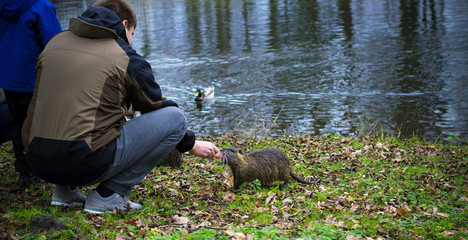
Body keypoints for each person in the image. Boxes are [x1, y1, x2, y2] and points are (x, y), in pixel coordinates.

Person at [21, 0, 219, 214]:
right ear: (124, 25)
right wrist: (190, 144)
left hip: (37, 159)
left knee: (68, 113)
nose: (131, 41)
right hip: (83, 162)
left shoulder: (55, 43)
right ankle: (108, 195)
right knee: (175, 118)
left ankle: (65, 191)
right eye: (132, 33)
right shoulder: (123, 54)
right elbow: (155, 107)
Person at [0, 0, 62, 186]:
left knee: (18, 123)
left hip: (9, 78)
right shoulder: (41, 6)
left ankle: (25, 171)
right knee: (41, 124)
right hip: (34, 78)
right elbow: (56, 43)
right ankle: (42, 169)